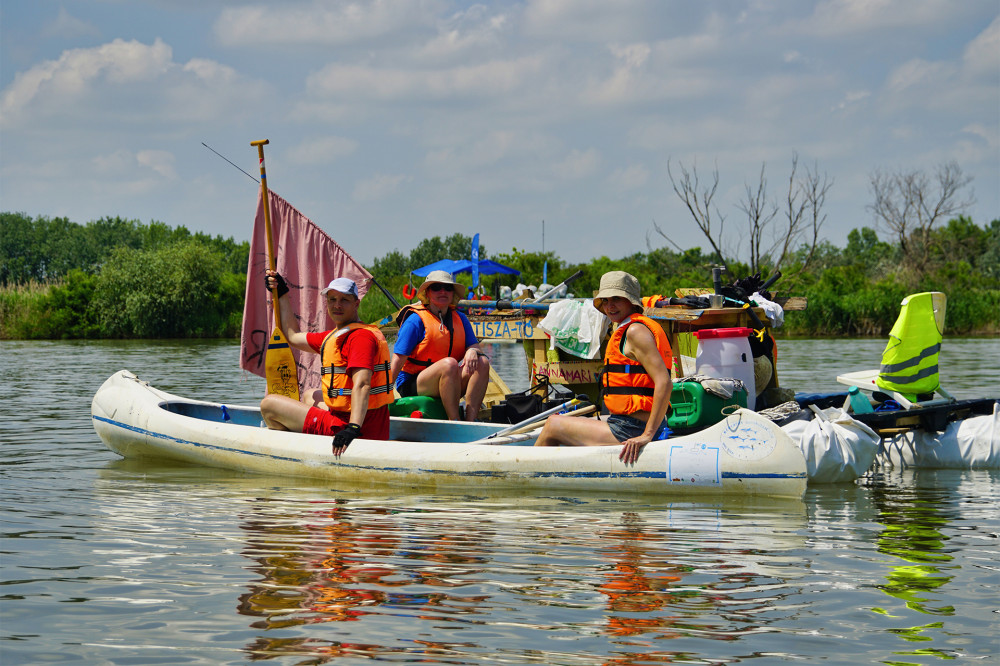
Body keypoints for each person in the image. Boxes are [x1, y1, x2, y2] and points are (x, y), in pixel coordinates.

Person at [534, 271, 672, 464]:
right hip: (625, 422)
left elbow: (664, 383)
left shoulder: (635, 331)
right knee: (562, 421)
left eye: (617, 299)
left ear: (631, 301)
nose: (610, 306)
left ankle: (529, 480)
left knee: (552, 425)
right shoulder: (628, 326)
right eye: (605, 300)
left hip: (633, 428)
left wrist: (647, 435)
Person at [259, 271, 392, 455]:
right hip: (363, 422)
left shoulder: (360, 338)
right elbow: (292, 336)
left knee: (269, 405)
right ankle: (312, 437)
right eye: (332, 299)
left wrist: (352, 428)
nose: (337, 305)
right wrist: (281, 293)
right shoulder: (335, 336)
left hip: (355, 431)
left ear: (356, 303)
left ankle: (298, 453)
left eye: (344, 300)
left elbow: (362, 384)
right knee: (310, 395)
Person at [389, 270, 491, 421]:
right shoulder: (415, 320)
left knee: (482, 362)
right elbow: (397, 361)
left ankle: (471, 421)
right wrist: (380, 396)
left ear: (452, 294)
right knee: (450, 364)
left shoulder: (460, 318)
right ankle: (454, 422)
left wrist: (472, 351)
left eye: (448, 288)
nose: (443, 291)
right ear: (428, 293)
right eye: (436, 287)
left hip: (449, 379)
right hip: (414, 383)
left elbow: (474, 346)